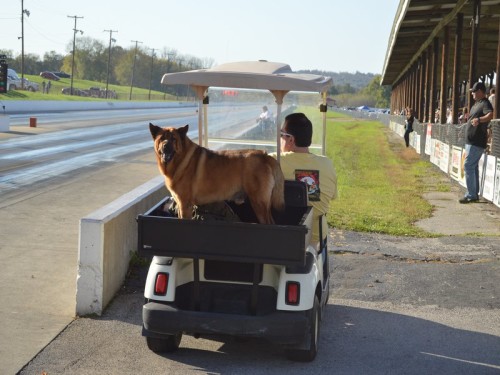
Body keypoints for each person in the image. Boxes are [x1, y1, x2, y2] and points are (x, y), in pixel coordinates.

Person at [271, 112, 337, 248]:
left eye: (281, 134)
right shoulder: (327, 164)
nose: (280, 138)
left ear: (291, 140)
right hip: (316, 238)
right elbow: (332, 196)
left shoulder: (273, 161)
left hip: (282, 234)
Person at [459, 82, 493, 204]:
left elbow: (490, 115)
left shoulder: (485, 103)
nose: (472, 93)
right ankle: (474, 193)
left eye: (474, 91)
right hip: (470, 141)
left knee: (468, 166)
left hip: (477, 142)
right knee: (473, 167)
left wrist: (479, 119)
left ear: (480, 91)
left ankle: (471, 195)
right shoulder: (476, 104)